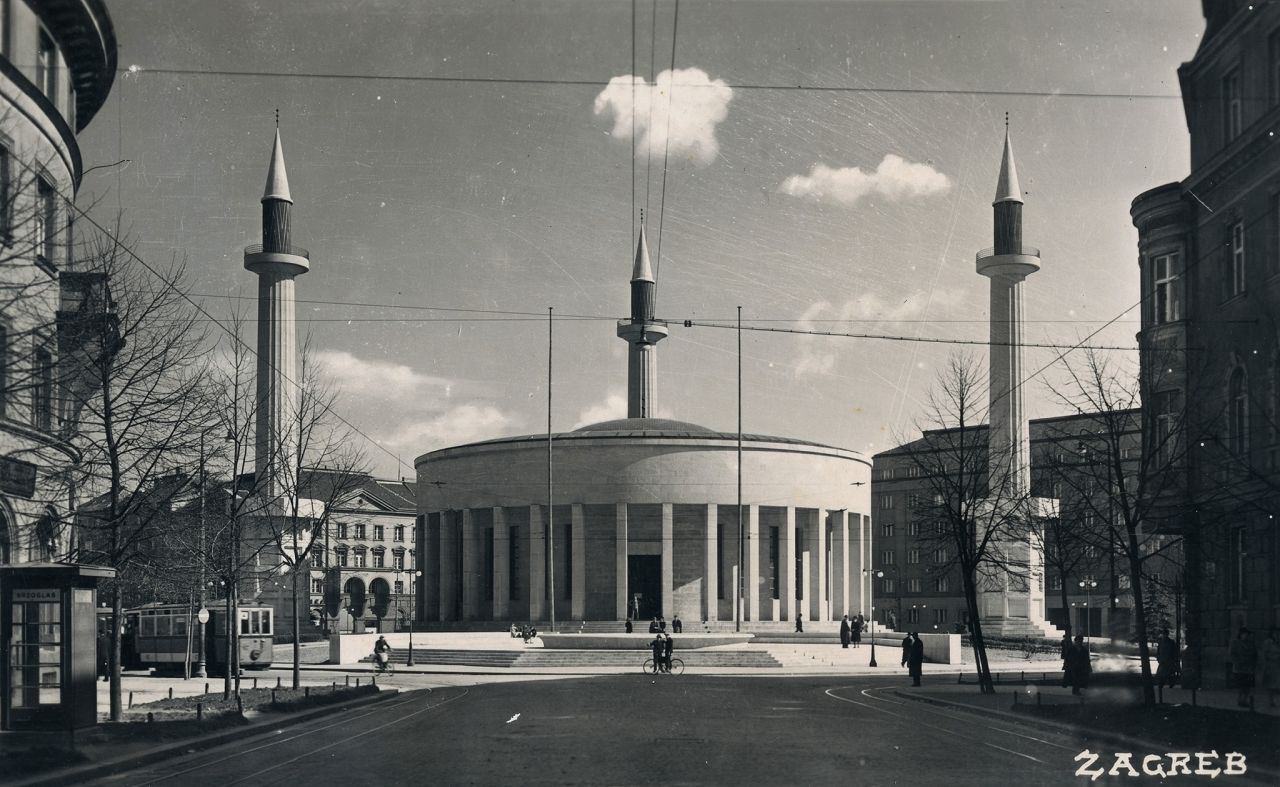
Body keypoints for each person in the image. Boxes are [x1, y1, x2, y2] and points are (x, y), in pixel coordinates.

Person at [1228, 626, 1258, 708]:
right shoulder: (1235, 642)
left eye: (1247, 634)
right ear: (1240, 634)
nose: (1246, 636)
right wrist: (1238, 662)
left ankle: (1245, 700)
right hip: (1239, 668)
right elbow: (1232, 654)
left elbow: (1255, 654)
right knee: (1241, 686)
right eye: (1244, 634)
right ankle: (1240, 700)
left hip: (1249, 668)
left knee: (1248, 686)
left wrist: (1254, 664)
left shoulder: (1251, 643)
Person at [1259, 627, 1280, 709]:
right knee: (1271, 685)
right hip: (1271, 666)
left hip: (1278, 666)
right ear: (1272, 634)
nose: (1277, 635)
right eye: (1275, 633)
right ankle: (1271, 701)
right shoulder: (1267, 643)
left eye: (1279, 634)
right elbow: (1264, 655)